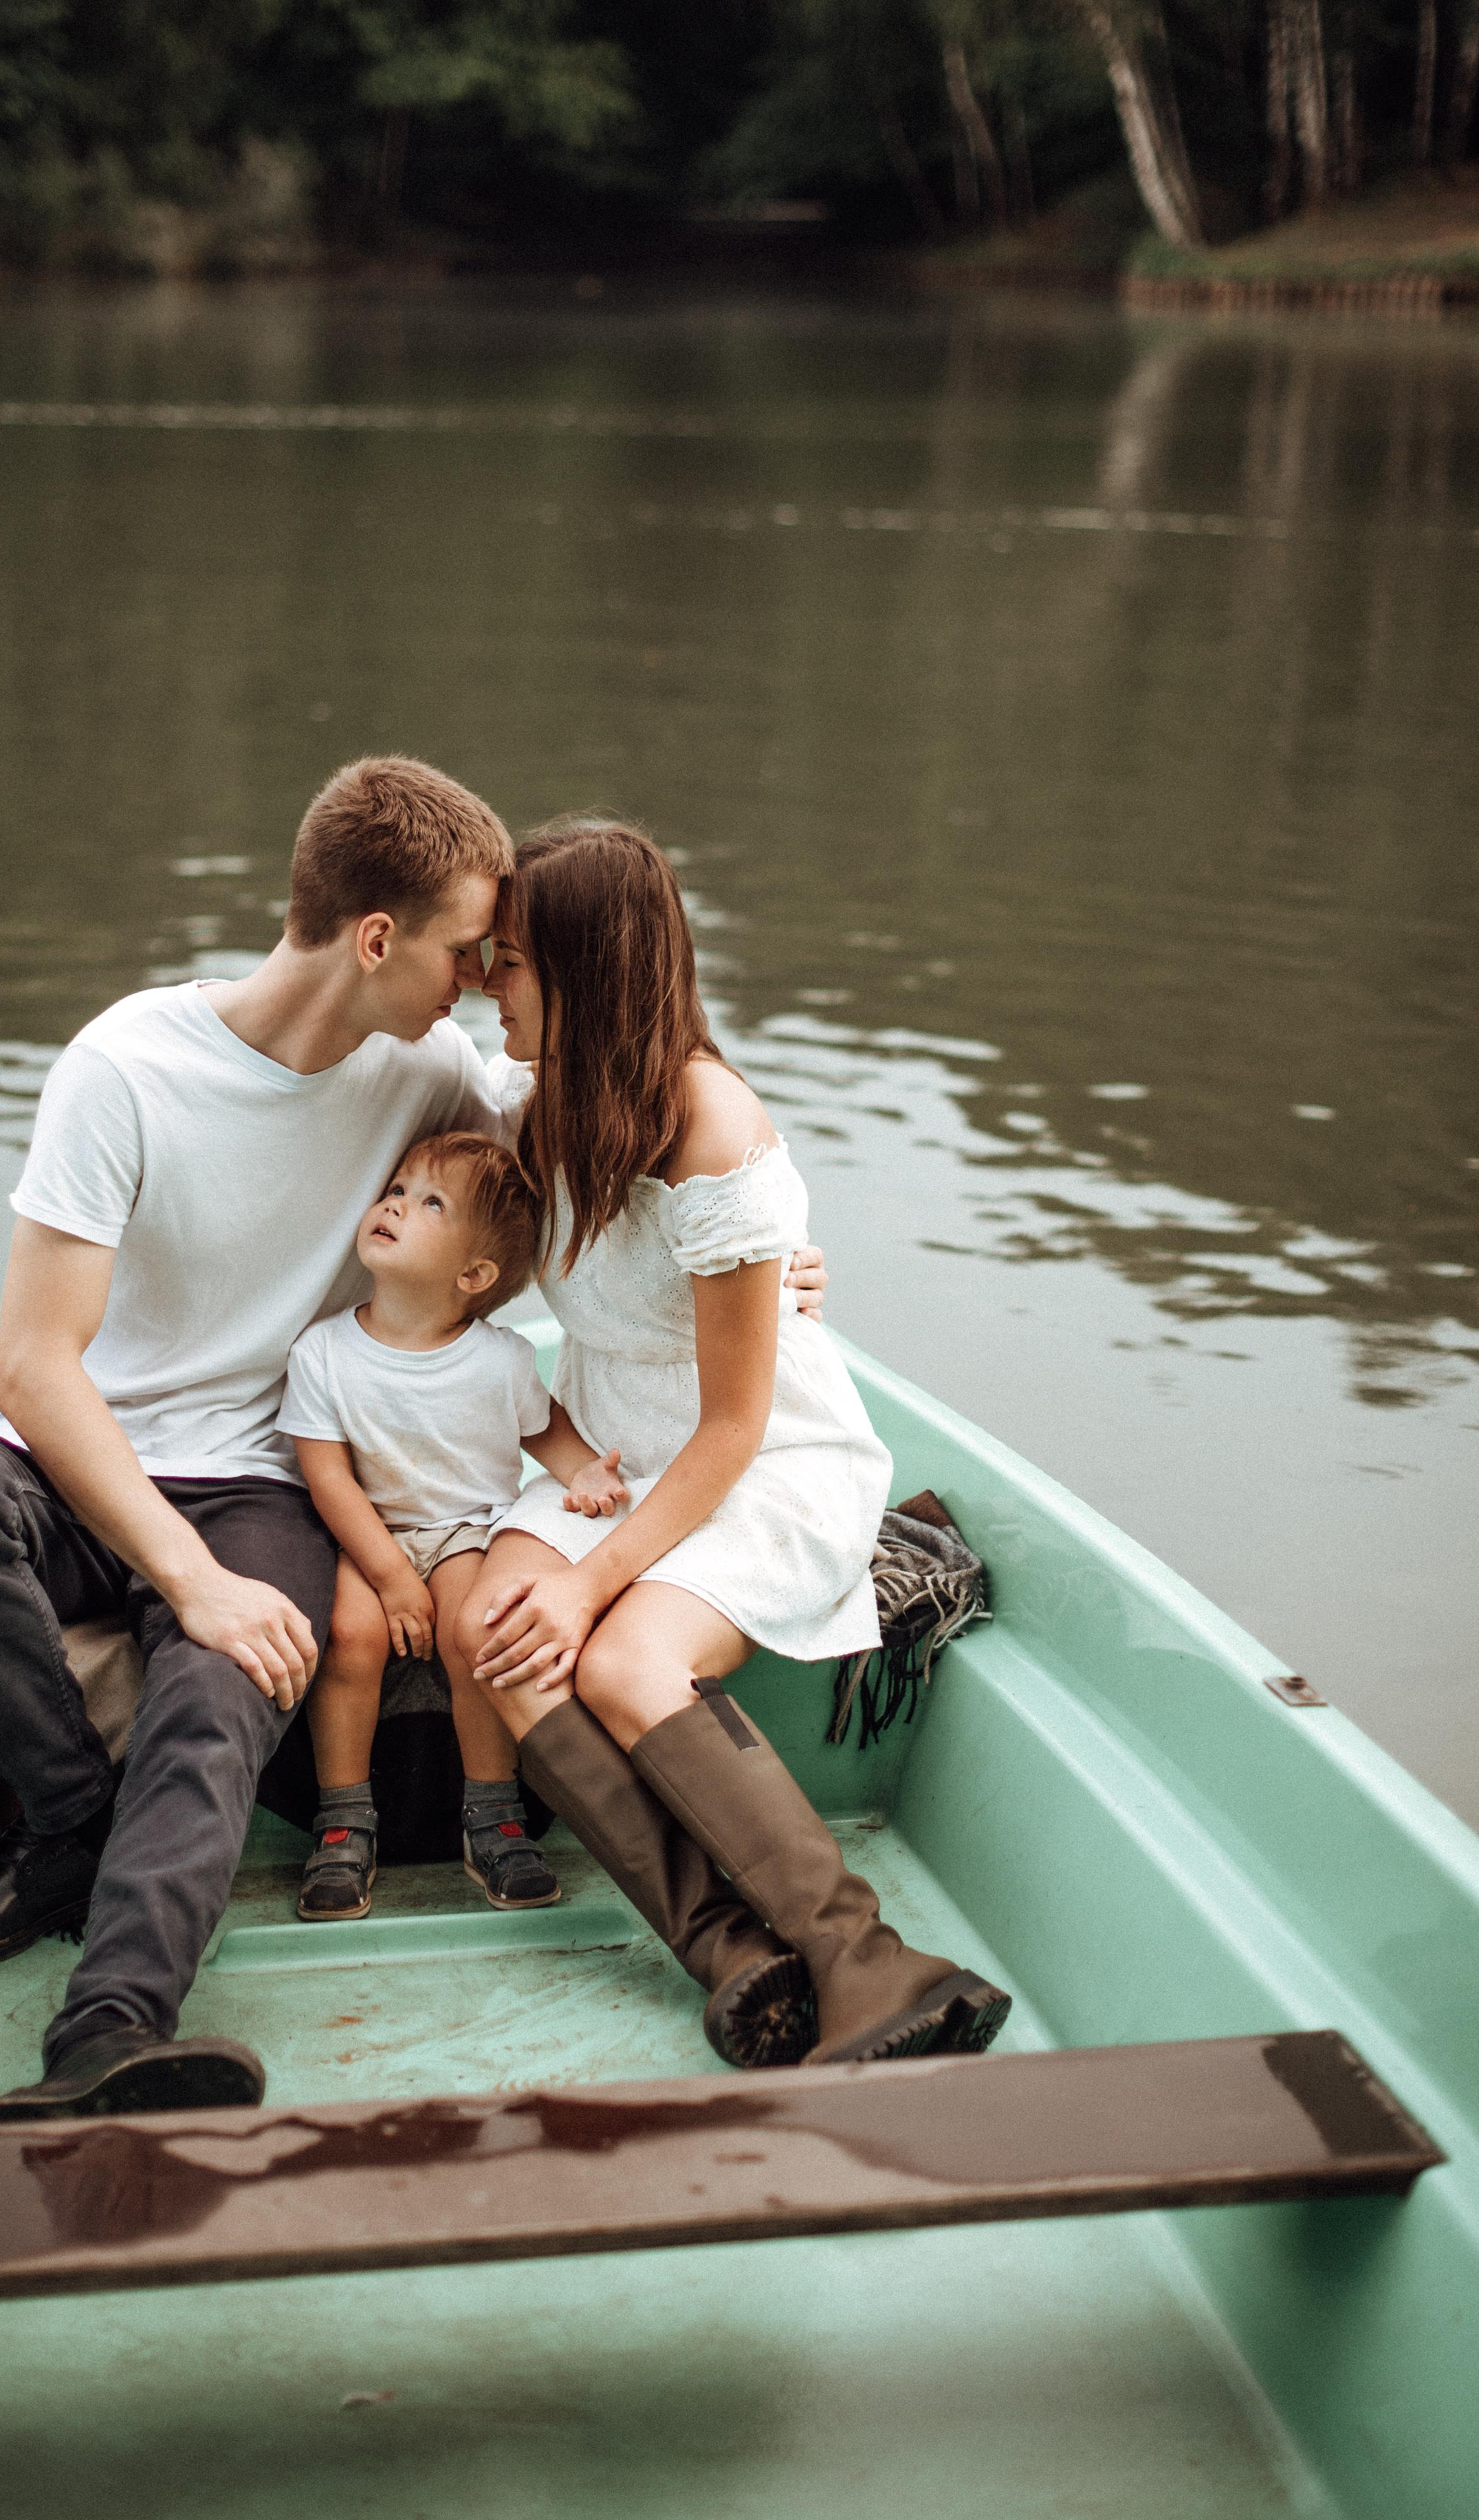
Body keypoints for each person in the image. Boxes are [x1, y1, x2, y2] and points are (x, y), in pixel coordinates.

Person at [0, 758, 827, 2125]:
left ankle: (108, 2034)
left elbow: (646, 1144)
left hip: (266, 1474)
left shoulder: (436, 1070)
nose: (483, 985)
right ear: (377, 940)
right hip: (80, 1466)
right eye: (464, 952)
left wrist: (775, 1247)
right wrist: (184, 1580)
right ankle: (70, 1831)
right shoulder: (124, 1067)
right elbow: (32, 1371)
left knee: (217, 1688)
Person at [458, 818, 1013, 2070]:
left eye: (510, 964)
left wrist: (597, 1582)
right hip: (615, 1443)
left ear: (588, 974)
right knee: (491, 1623)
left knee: (625, 1662)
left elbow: (735, 1423)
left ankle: (869, 1960)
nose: (491, 986)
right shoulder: (535, 1098)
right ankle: (731, 1954)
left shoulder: (711, 1127)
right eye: (484, 959)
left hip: (762, 1462)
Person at [279, 1131, 629, 1922]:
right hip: (366, 1533)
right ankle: (342, 1819)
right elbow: (327, 1479)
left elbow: (545, 1432)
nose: (395, 1204)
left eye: (429, 1202)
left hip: (467, 1529)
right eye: (397, 1187)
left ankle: (493, 1812)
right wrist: (392, 1576)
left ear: (473, 1276)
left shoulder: (497, 1359)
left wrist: (585, 1473)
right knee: (351, 1635)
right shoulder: (323, 1353)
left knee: (478, 1635)